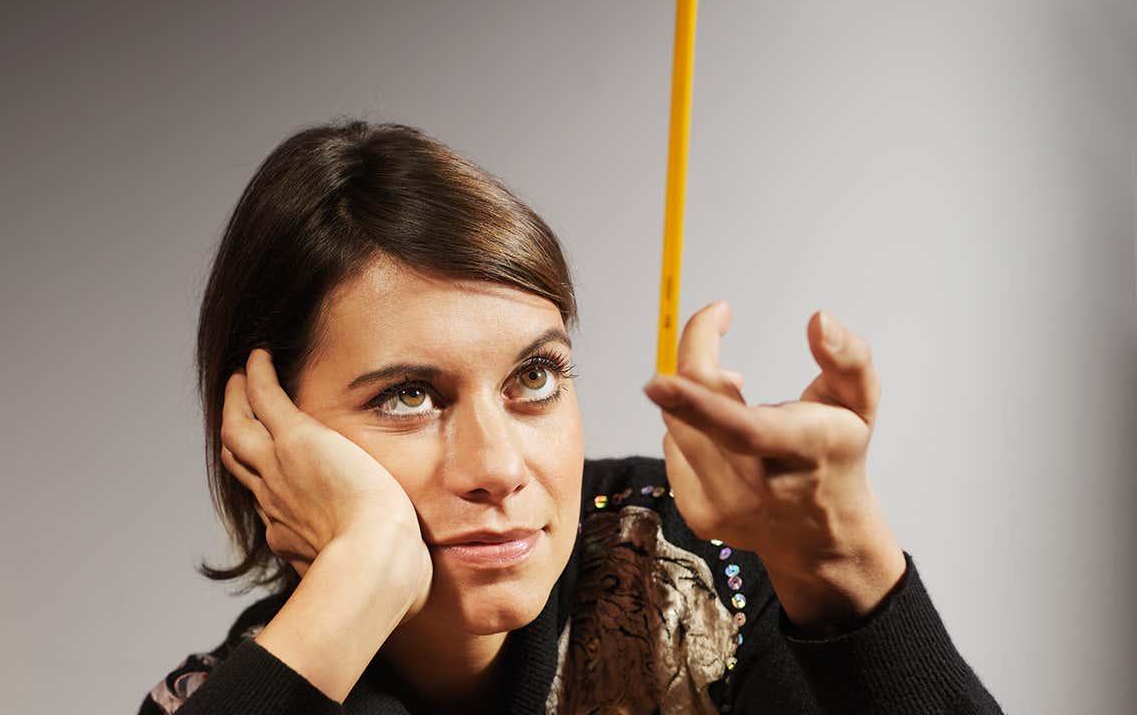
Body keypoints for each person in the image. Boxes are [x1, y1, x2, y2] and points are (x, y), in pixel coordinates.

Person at [137, 120, 1003, 714]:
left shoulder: (689, 570)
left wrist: (840, 558)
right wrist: (359, 577)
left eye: (536, 376)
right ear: (264, 426)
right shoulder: (245, 692)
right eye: (409, 395)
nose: (499, 466)